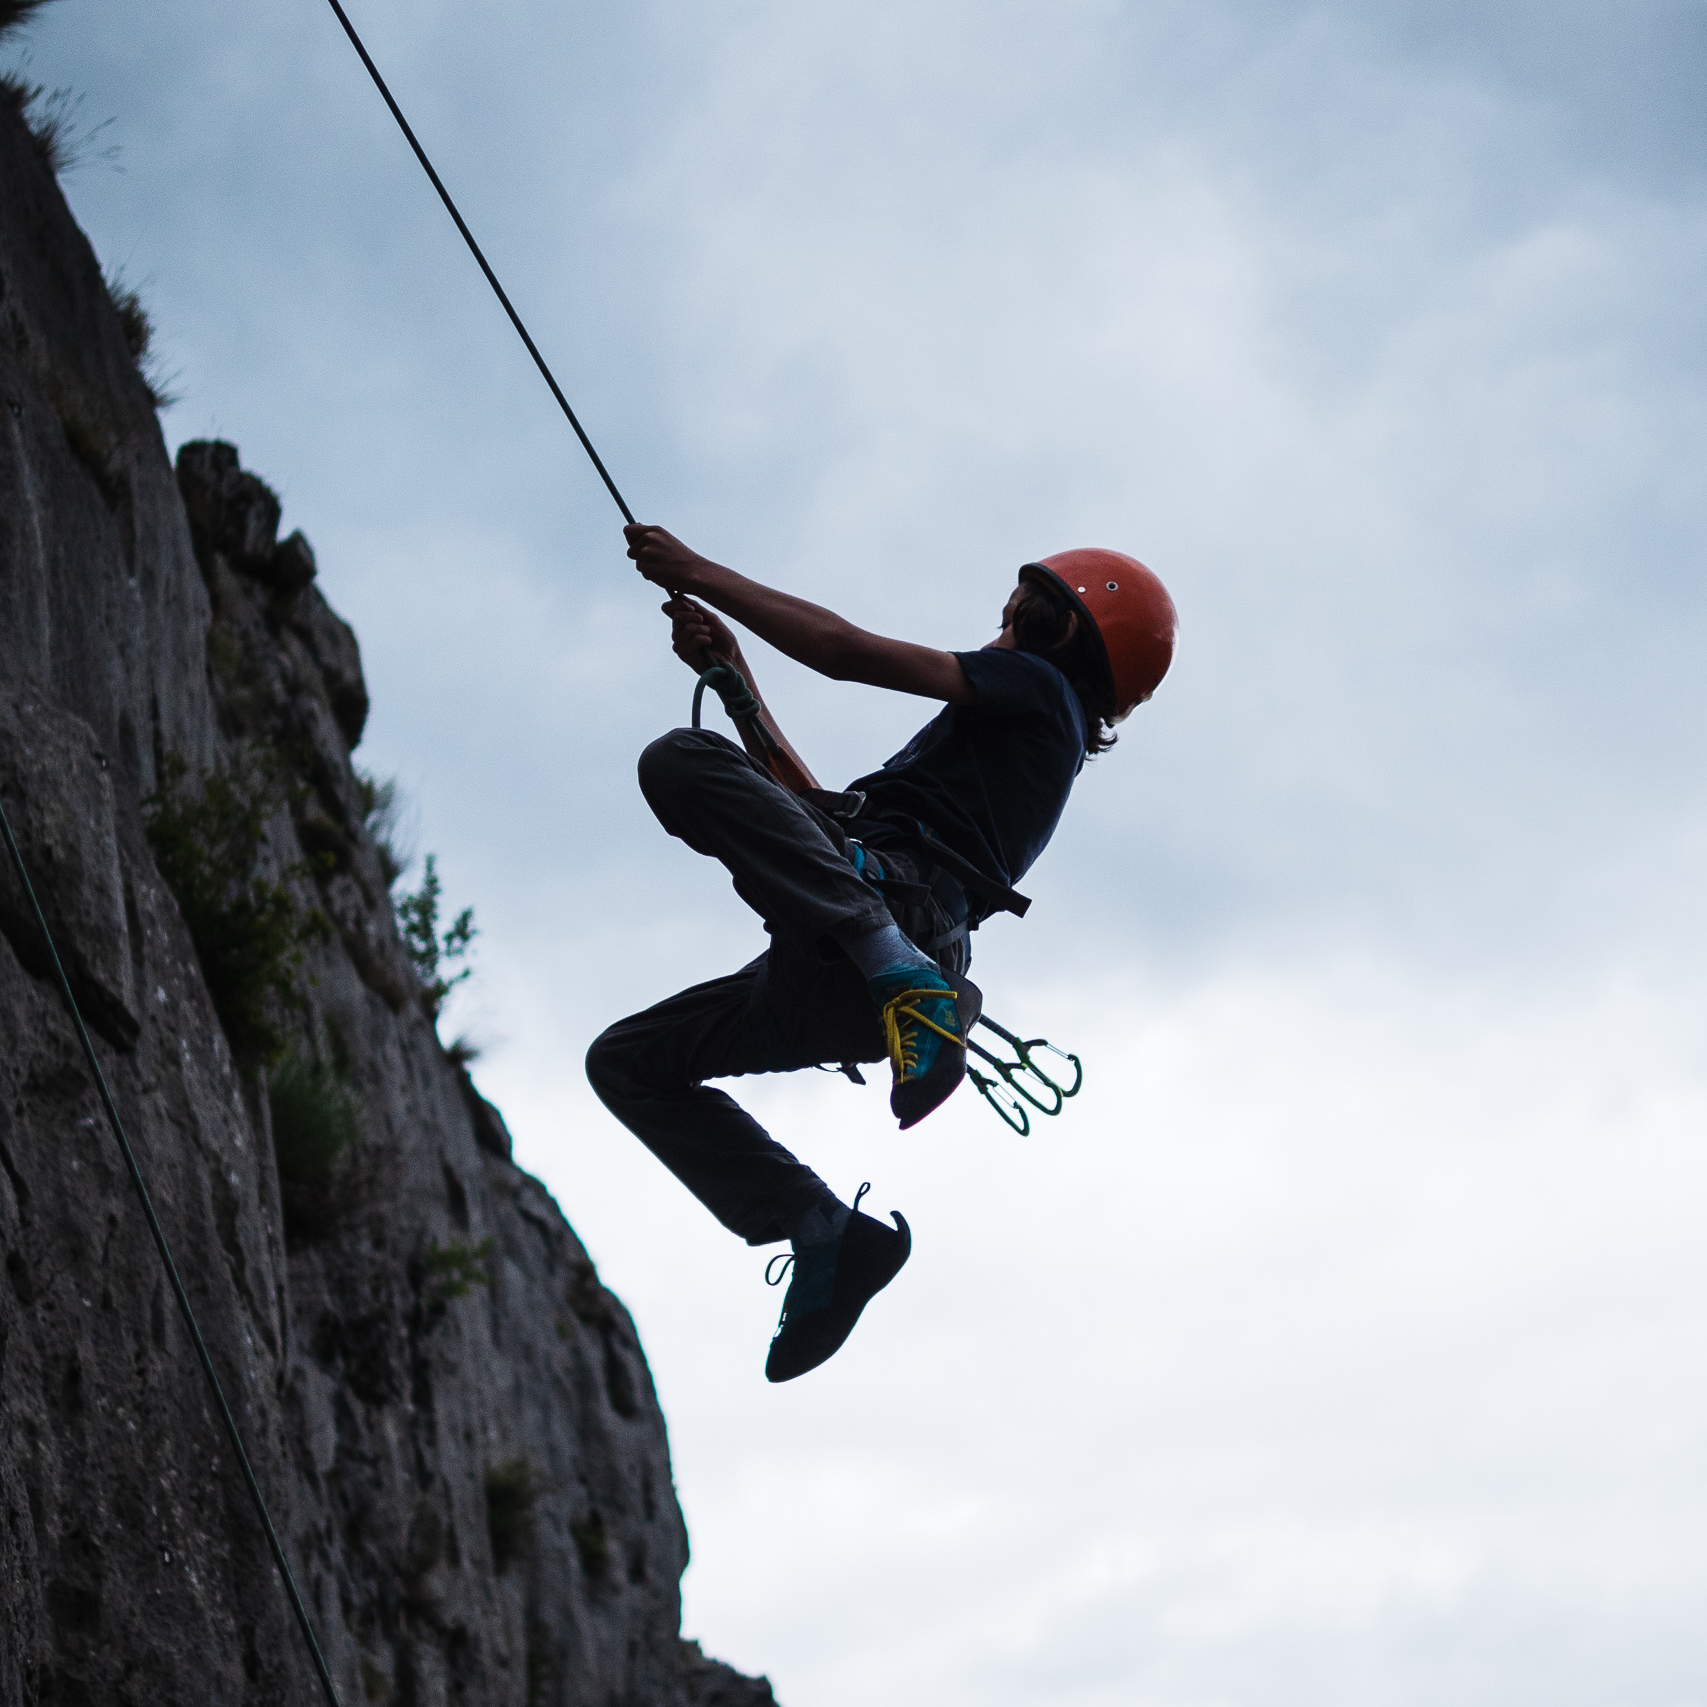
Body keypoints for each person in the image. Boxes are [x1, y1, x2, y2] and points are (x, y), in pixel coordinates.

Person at [586, 525, 1176, 1381]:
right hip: (854, 962)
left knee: (678, 758)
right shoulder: (985, 752)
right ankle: (821, 1227)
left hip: (899, 924)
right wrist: (736, 679)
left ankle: (900, 975)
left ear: (1062, 641)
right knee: (629, 1062)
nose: (1001, 632)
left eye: (1023, 618)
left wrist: (699, 574)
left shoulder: (1040, 691)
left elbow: (839, 651)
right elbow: (811, 819)